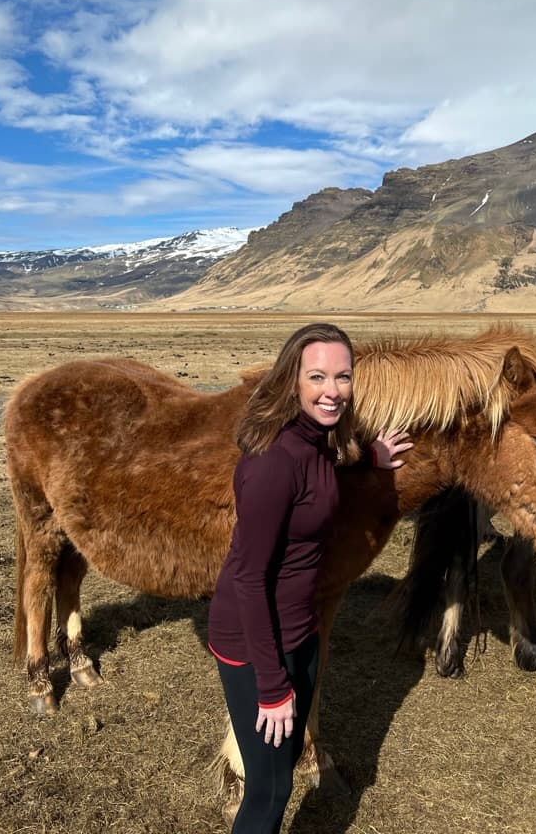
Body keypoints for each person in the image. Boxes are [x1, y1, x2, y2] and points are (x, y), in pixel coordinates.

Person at [208, 322, 412, 833]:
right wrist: (273, 687)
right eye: (317, 376)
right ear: (291, 380)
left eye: (342, 377)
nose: (332, 391)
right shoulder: (274, 461)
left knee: (284, 762)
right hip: (255, 644)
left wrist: (372, 458)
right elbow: (251, 578)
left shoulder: (313, 440)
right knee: (269, 788)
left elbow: (323, 468)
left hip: (297, 629)